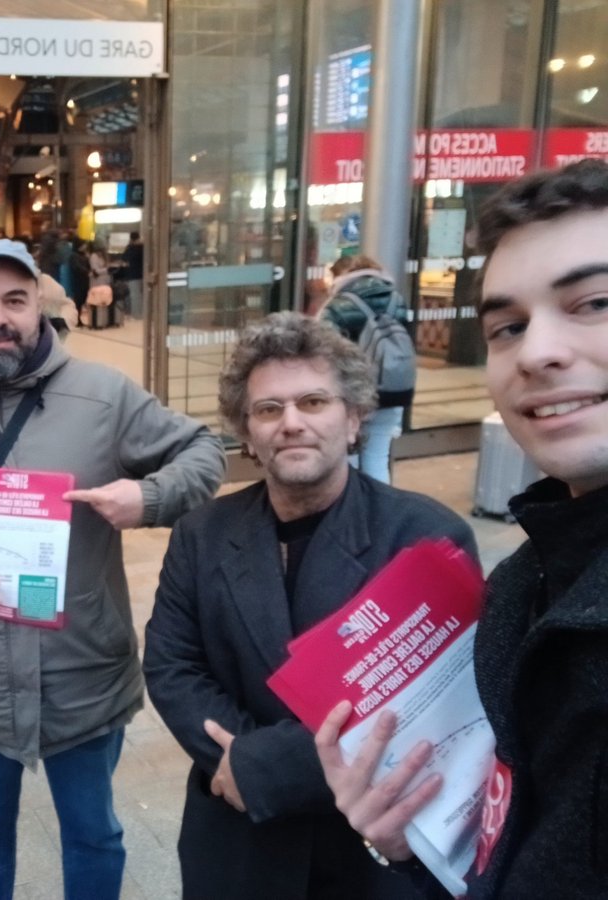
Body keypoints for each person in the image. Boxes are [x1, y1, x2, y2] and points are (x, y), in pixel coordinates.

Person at [0, 239, 225, 898]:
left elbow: (204, 452)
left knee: (93, 833)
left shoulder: (103, 395)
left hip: (82, 672)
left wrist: (146, 498)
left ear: (40, 305)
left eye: (14, 300)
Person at [315, 158, 608, 898]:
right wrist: (408, 850)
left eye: (595, 303)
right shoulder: (519, 585)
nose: (538, 351)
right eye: (508, 326)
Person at [143, 313, 478, 899]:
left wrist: (259, 768)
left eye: (314, 402)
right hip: (239, 840)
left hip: (367, 848)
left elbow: (435, 709)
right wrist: (237, 764)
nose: (290, 423)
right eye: (268, 409)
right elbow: (173, 668)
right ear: (246, 433)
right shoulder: (203, 532)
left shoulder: (425, 537)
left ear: (353, 420)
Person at [320, 254, 415, 484]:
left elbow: (323, 349)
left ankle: (351, 511)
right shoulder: (396, 299)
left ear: (339, 276)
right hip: (391, 388)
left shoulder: (338, 305)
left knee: (348, 456)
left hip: (352, 392)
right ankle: (380, 513)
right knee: (378, 456)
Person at [121, 232, 144, 321]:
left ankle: (136, 315)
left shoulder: (130, 248)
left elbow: (124, 258)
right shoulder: (143, 248)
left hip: (132, 275)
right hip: (142, 274)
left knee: (135, 296)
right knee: (141, 295)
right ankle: (142, 314)